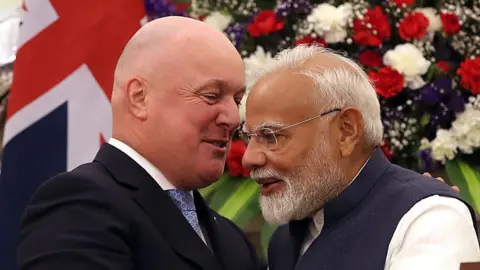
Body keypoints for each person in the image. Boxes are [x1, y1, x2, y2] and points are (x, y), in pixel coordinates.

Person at [17, 16, 261, 270]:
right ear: (139, 98)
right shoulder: (77, 207)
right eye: (211, 96)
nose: (233, 118)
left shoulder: (230, 238)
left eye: (236, 99)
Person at [241, 44, 480, 270]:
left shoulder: (428, 218)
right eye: (247, 138)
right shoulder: (285, 239)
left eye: (270, 136)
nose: (248, 158)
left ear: (347, 131)